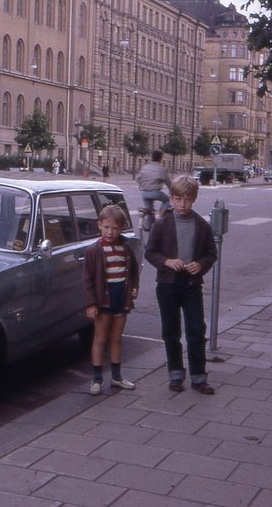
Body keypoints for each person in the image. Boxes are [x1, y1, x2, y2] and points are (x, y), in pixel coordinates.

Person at [144, 175, 218, 395]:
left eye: (187, 199)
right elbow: (150, 252)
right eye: (178, 199)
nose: (182, 204)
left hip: (191, 284)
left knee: (196, 330)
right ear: (171, 199)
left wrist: (200, 265)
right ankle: (175, 374)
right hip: (168, 284)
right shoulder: (162, 224)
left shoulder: (201, 225)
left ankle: (199, 377)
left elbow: (211, 253)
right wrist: (167, 261)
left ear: (193, 199)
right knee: (171, 331)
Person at [82, 204, 140, 395]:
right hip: (103, 302)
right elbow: (88, 280)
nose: (110, 232)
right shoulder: (94, 251)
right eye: (106, 227)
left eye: (115, 228)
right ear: (99, 225)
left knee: (116, 339)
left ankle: (116, 376)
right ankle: (97, 379)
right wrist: (91, 304)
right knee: (100, 339)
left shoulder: (125, 248)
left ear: (121, 228)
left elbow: (133, 271)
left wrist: (134, 288)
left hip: (121, 300)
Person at [136, 149, 172, 216]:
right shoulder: (162, 169)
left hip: (144, 193)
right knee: (166, 201)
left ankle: (148, 221)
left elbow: (137, 179)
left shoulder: (145, 167)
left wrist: (143, 184)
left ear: (151, 157)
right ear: (161, 158)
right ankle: (160, 217)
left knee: (149, 212)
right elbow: (169, 183)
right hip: (155, 193)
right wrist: (173, 190)